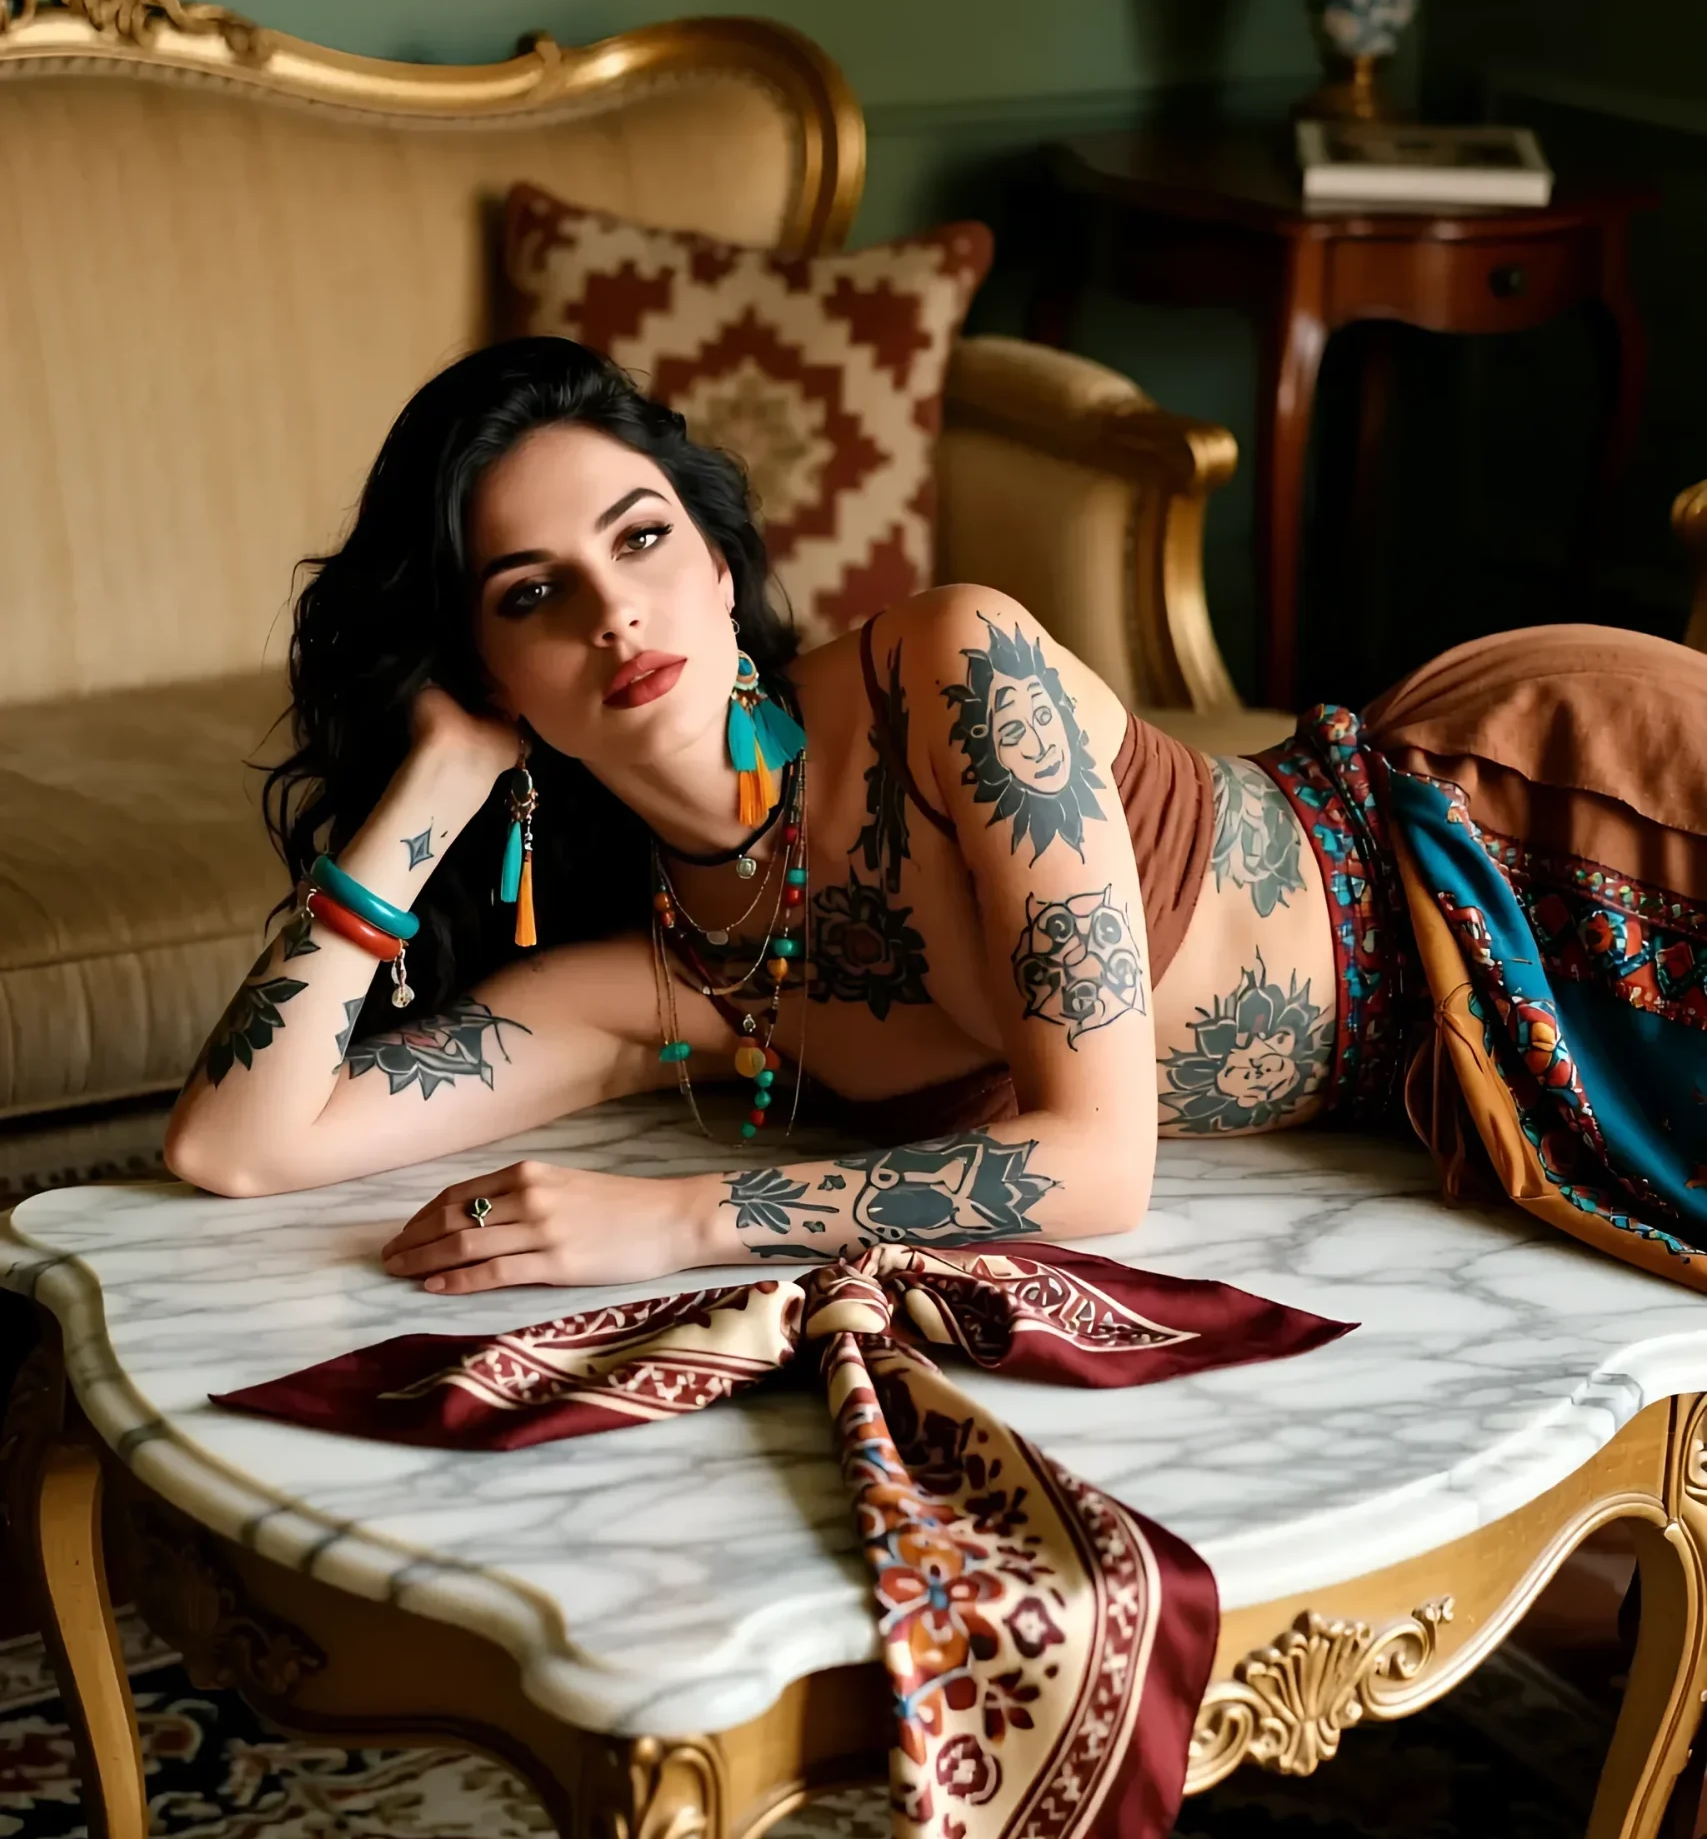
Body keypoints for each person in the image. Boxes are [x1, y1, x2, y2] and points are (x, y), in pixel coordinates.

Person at [164, 337, 1707, 1298]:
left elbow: (1097, 1169)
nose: (614, 610)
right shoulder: (657, 978)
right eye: (530, 595)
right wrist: (431, 790)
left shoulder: (944, 668)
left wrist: (681, 1220)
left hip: (1529, 850)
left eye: (641, 539)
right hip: (1458, 1088)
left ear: (717, 564)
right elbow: (240, 1143)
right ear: (486, 669)